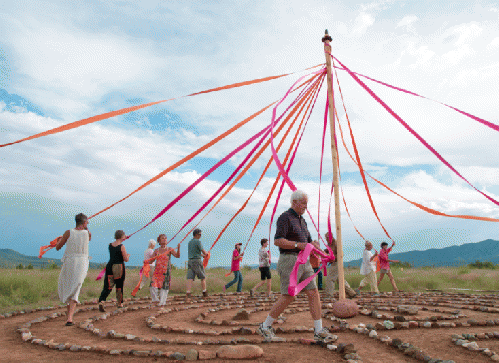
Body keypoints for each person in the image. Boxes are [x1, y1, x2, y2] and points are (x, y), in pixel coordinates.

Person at [256, 190, 335, 343]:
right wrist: (299, 244)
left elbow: (309, 242)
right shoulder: (285, 217)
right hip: (290, 260)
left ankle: (318, 330)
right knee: (289, 295)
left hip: (304, 261)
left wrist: (316, 247)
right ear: (294, 202)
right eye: (304, 203)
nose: (306, 206)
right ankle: (265, 326)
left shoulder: (302, 220)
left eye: (306, 203)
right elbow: (278, 240)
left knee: (313, 292)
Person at [56, 213, 92, 326]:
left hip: (70, 262)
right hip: (81, 262)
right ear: (84, 222)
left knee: (72, 287)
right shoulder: (87, 233)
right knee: (74, 287)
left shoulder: (68, 232)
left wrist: (60, 239)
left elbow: (58, 247)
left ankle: (69, 318)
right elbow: (88, 236)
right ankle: (69, 318)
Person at [98, 230, 130, 312]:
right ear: (122, 236)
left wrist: (124, 238)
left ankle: (102, 300)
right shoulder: (122, 246)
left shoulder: (110, 245)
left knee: (108, 285)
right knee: (119, 285)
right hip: (118, 267)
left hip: (110, 266)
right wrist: (128, 255)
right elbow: (125, 259)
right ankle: (119, 303)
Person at [323, 232, 357, 298]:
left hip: (337, 262)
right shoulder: (329, 244)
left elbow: (341, 254)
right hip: (334, 262)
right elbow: (329, 251)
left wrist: (332, 257)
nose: (326, 239)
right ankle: (352, 293)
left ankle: (329, 295)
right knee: (340, 280)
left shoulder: (336, 243)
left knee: (330, 279)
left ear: (331, 237)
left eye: (327, 237)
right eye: (326, 238)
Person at [150, 234, 180, 306]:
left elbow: (177, 256)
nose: (165, 239)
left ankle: (162, 303)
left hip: (166, 271)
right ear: (159, 241)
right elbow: (151, 260)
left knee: (165, 288)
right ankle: (156, 300)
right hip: (157, 271)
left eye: (166, 238)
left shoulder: (169, 249)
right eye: (163, 238)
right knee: (152, 286)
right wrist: (146, 262)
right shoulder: (156, 250)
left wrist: (178, 248)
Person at [186, 228, 208, 298]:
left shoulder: (189, 242)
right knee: (203, 277)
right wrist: (207, 254)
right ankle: (204, 292)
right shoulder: (198, 242)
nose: (201, 236)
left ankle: (188, 292)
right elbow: (204, 252)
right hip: (197, 261)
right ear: (196, 234)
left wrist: (202, 255)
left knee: (190, 278)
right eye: (200, 234)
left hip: (190, 261)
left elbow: (195, 253)